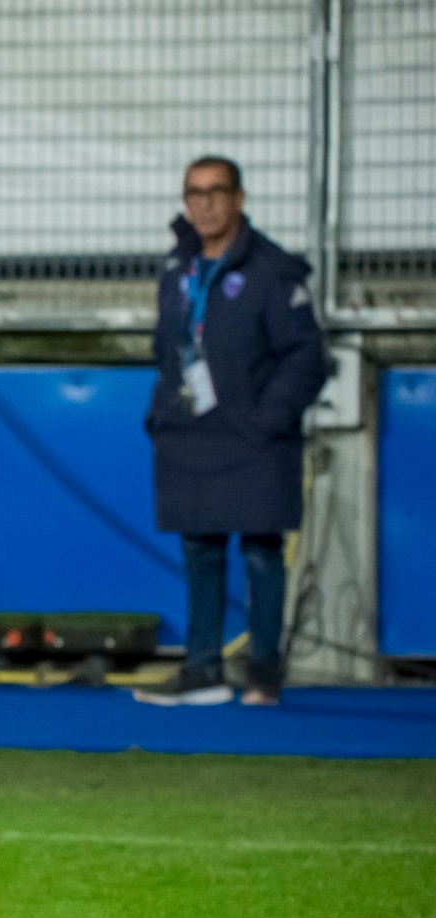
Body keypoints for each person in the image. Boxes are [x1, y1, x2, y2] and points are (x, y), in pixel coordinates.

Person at [135, 155, 327, 708]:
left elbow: (305, 357)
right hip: (192, 434)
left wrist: (270, 416)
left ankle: (263, 673)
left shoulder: (272, 270)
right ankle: (202, 669)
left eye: (216, 191)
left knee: (263, 550)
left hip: (255, 437)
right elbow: (165, 350)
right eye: (194, 192)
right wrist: (162, 409)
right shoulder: (177, 268)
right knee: (200, 549)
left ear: (239, 199)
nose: (205, 203)